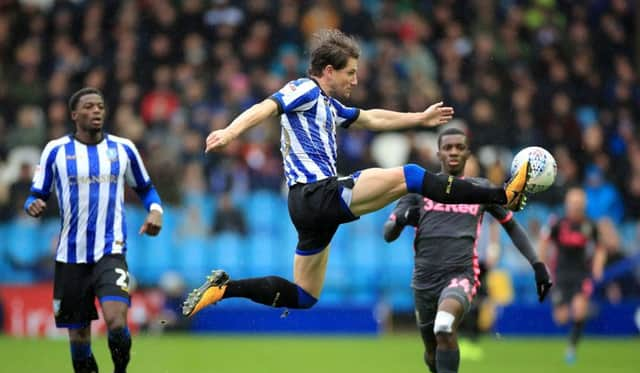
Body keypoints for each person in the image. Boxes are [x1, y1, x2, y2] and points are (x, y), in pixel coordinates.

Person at [182, 29, 531, 319]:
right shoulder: (304, 89)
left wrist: (418, 118)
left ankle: (224, 289)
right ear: (328, 71)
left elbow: (371, 118)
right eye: (350, 72)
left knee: (304, 295)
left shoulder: (329, 106)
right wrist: (229, 132)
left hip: (308, 208)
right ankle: (502, 195)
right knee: (410, 175)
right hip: (317, 194)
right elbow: (265, 107)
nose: (355, 79)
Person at [382, 128, 552, 373]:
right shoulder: (420, 190)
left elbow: (511, 225)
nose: (453, 151)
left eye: (460, 147)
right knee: (432, 356)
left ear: (467, 153)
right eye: (447, 147)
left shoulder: (480, 189)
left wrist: (537, 263)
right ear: (438, 153)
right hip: (424, 281)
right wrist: (402, 220)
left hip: (461, 275)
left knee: (445, 325)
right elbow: (388, 232)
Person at [24, 87, 163, 373]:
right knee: (80, 339)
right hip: (70, 258)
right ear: (75, 114)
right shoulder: (56, 151)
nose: (96, 111)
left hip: (110, 250)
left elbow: (145, 187)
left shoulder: (122, 149)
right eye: (88, 107)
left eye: (100, 106)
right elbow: (36, 194)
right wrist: (33, 205)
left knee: (117, 322)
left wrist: (155, 210)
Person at [538, 187, 606, 364]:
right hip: (560, 274)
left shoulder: (590, 225)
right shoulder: (558, 224)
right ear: (567, 204)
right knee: (560, 317)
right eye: (572, 203)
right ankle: (586, 311)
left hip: (581, 274)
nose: (576, 207)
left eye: (579, 203)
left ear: (584, 205)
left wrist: (598, 266)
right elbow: (544, 243)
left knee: (578, 309)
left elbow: (600, 248)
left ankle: (571, 348)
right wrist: (542, 266)